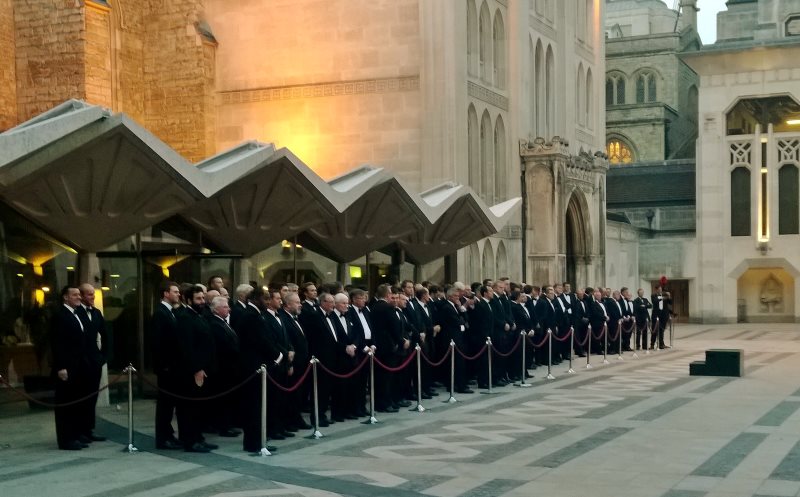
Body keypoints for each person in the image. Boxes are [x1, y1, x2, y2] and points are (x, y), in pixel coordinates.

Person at [175, 285, 217, 453]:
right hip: (191, 371)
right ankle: (190, 440)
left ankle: (198, 437)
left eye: (202, 298)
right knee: (189, 408)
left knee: (199, 407)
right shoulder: (185, 318)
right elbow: (187, 347)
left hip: (204, 368)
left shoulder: (199, 316)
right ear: (189, 300)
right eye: (198, 299)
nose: (201, 302)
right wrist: (197, 368)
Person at [52, 286, 91, 450]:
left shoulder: (76, 315)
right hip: (66, 367)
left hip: (78, 366)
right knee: (65, 404)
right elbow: (57, 343)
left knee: (75, 402)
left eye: (79, 295)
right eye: (74, 295)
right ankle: (65, 439)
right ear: (65, 297)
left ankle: (75, 435)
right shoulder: (60, 316)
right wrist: (61, 367)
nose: (79, 297)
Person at [152, 281, 182, 450]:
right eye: (175, 292)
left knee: (170, 405)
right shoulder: (160, 313)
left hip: (173, 367)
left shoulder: (171, 312)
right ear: (166, 294)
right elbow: (157, 343)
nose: (178, 294)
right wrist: (163, 366)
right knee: (165, 405)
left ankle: (169, 434)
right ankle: (163, 438)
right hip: (166, 368)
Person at [75, 283, 107, 443]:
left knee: (92, 396)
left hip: (95, 360)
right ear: (81, 296)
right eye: (89, 294)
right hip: (80, 361)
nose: (93, 297)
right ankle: (79, 430)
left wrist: (104, 357)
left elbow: (106, 334)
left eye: (93, 294)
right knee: (81, 397)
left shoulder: (96, 313)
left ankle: (89, 429)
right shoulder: (76, 313)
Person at [206, 295, 241, 437]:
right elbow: (224, 346)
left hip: (230, 368)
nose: (229, 309)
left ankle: (226, 424)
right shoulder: (215, 324)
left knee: (228, 399)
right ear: (216, 309)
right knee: (223, 399)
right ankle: (223, 426)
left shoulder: (222, 322)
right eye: (225, 306)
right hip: (223, 368)